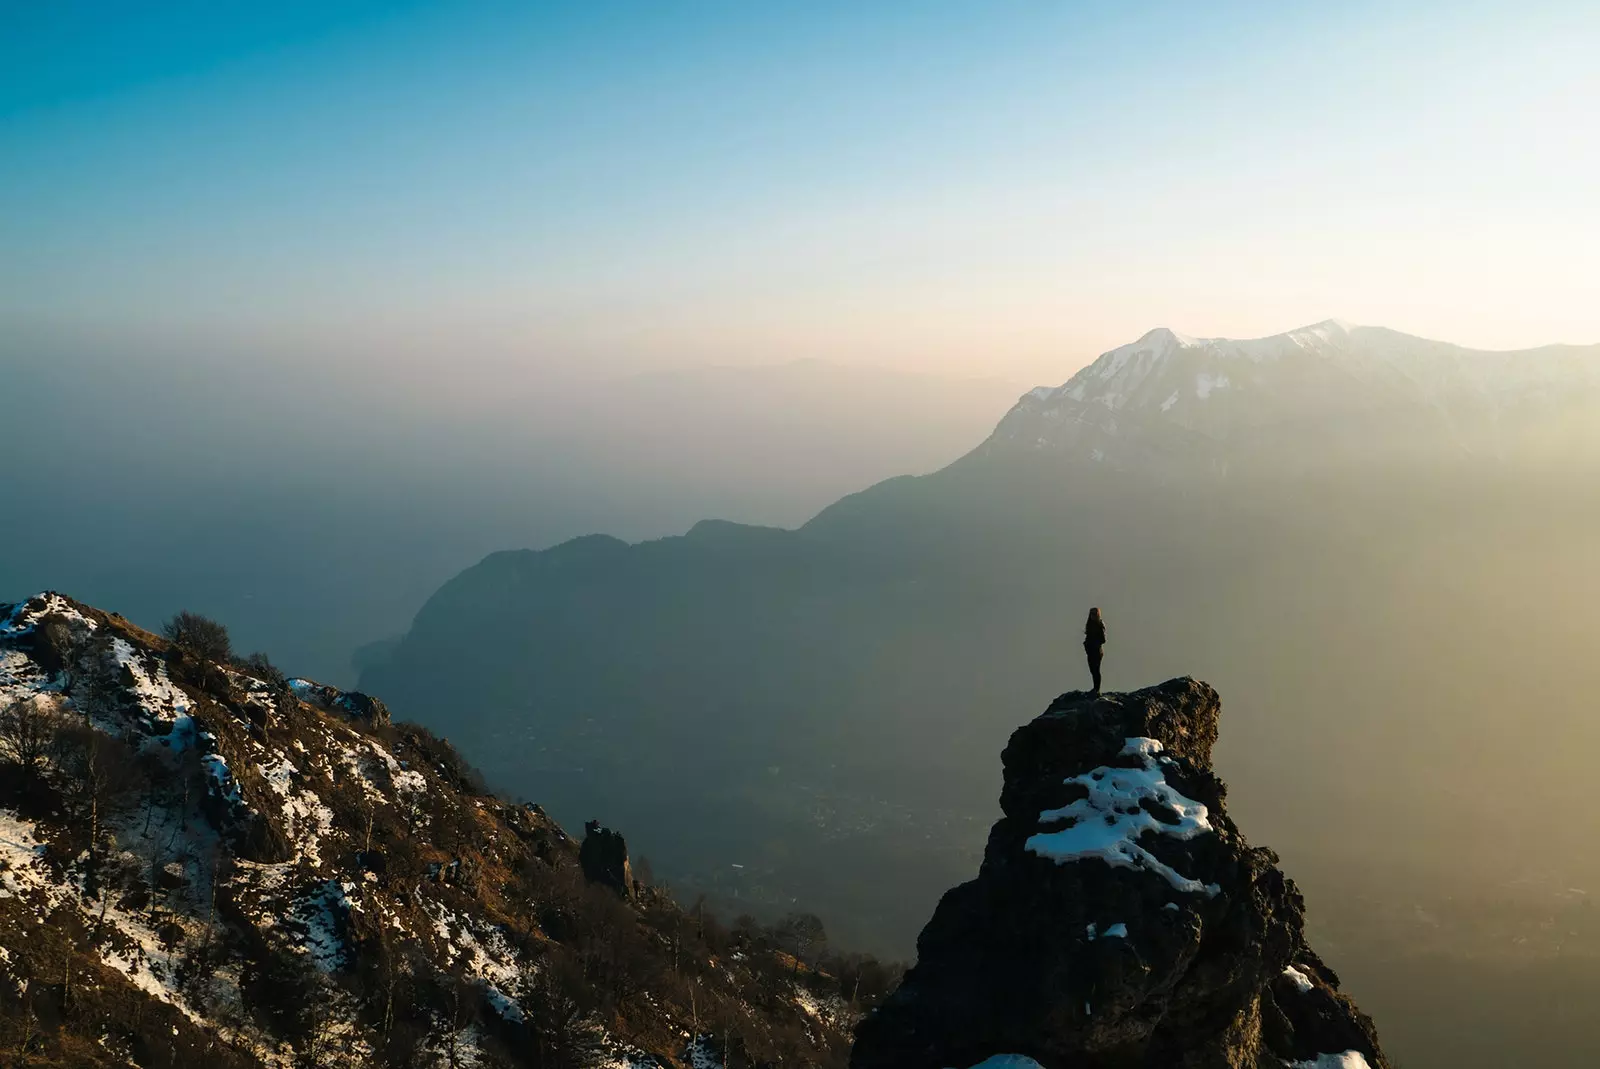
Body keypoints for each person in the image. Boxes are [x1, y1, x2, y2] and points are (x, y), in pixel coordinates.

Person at [1084, 607, 1106, 695]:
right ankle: (1095, 688)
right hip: (1090, 651)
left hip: (1097, 651)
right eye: (1091, 614)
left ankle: (1097, 689)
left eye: (1094, 614)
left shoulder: (1100, 624)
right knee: (1092, 670)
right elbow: (1088, 636)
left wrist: (1094, 642)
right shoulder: (1089, 624)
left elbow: (1103, 639)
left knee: (1096, 670)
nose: (1092, 616)